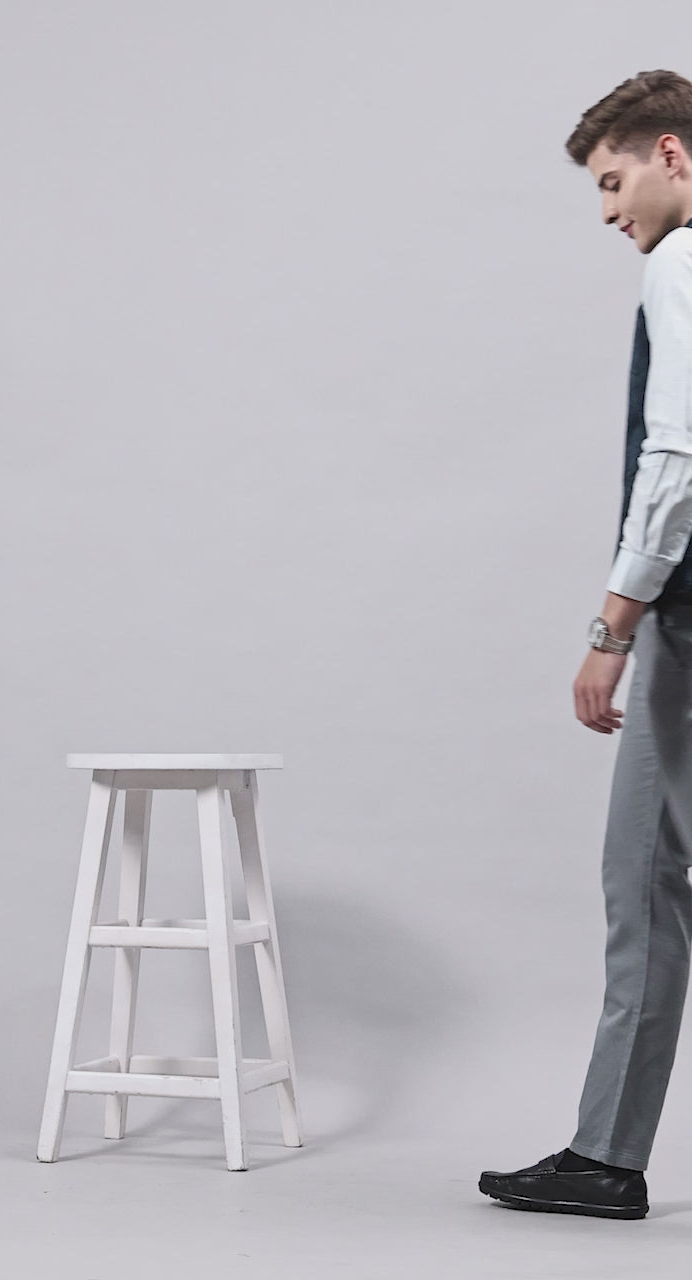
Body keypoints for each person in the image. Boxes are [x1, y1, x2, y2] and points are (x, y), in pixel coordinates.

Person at [479, 69, 692, 1220]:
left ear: (674, 155)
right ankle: (605, 1149)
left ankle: (608, 1153)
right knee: (644, 875)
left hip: (685, 616)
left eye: (613, 182)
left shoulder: (682, 260)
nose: (608, 211)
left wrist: (613, 623)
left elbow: (679, 457)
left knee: (643, 879)